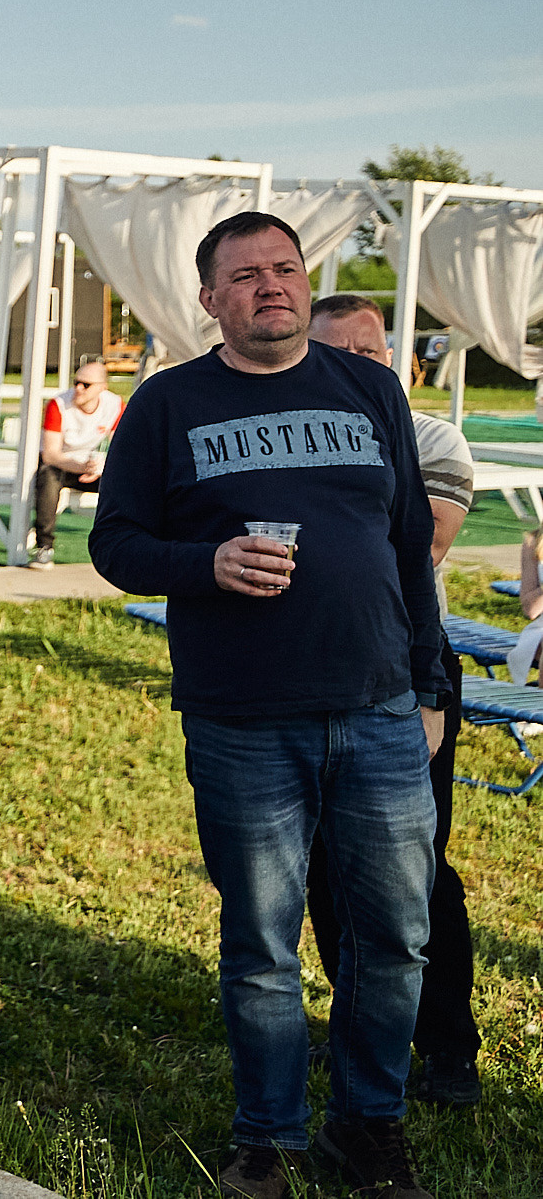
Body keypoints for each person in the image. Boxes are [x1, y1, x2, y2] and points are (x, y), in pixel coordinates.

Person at [88, 213, 444, 1199]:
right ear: (210, 300)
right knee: (260, 942)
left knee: (391, 938)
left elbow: (410, 542)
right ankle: (268, 1138)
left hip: (377, 706)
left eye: (284, 268)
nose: (271, 286)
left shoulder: (370, 386)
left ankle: (367, 1126)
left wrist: (430, 682)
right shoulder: (166, 404)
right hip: (242, 715)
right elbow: (113, 544)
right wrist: (204, 561)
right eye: (244, 275)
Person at [303, 292, 482, 1111]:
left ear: (399, 364)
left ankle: (448, 1045)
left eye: (367, 354)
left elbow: (423, 540)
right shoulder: (290, 431)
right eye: (331, 353)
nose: (352, 368)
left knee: (418, 870)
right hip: (301, 667)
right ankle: (363, 1032)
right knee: (316, 869)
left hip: (408, 665)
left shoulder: (434, 438)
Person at [28, 357, 122, 567]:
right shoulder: (58, 404)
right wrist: (82, 467)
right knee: (48, 476)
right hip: (60, 464)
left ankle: (123, 542)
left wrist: (100, 468)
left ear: (102, 388)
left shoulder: (114, 404)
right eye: (76, 382)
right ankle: (44, 546)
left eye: (86, 385)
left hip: (89, 466)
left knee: (126, 479)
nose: (79, 388)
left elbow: (121, 448)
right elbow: (51, 455)